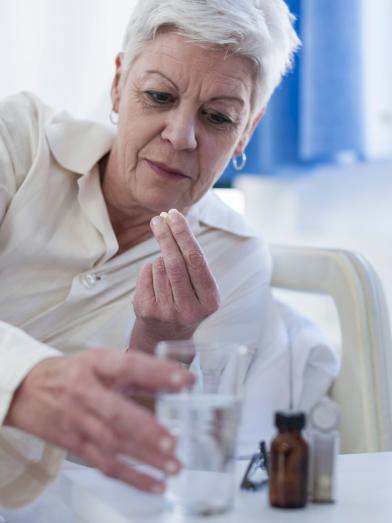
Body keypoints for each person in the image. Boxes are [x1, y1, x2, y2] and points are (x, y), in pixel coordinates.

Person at [0, 0, 339, 509]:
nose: (181, 135)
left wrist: (161, 342)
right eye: (158, 95)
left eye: (218, 117)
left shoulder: (233, 260)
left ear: (247, 130)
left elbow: (151, 475)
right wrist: (24, 381)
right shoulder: (19, 139)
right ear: (118, 84)